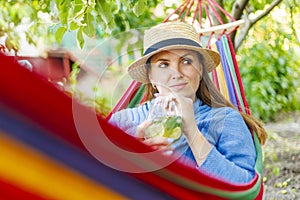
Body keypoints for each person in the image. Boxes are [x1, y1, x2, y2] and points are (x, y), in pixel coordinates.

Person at [108, 21, 267, 184]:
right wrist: (132, 153)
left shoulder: (224, 119)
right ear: (151, 76)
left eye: (186, 62)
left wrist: (191, 132)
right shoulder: (121, 123)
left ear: (201, 69)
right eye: (163, 64)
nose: (176, 73)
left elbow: (245, 187)